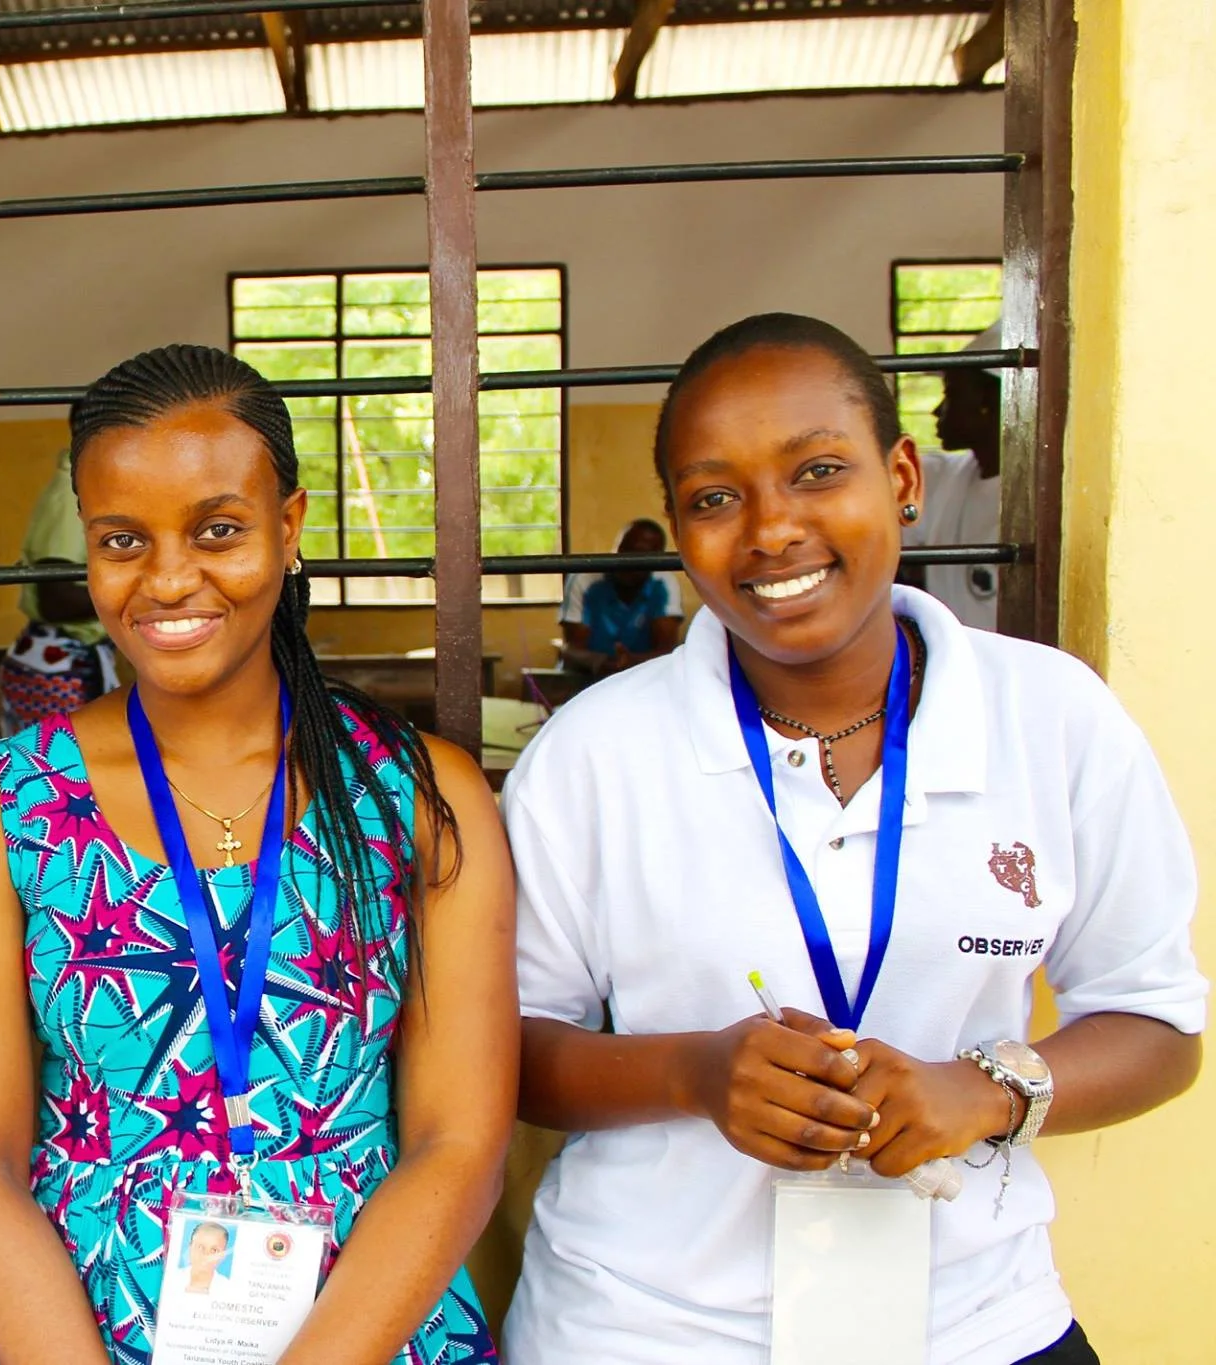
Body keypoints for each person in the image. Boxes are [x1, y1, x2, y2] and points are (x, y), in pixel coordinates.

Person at [504, 314, 1203, 1364]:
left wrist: (983, 1091)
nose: (770, 528)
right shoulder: (593, 753)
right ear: (674, 526)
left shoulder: (1052, 719)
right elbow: (508, 1050)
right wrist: (693, 1075)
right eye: (712, 497)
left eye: (817, 470)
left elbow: (1153, 1026)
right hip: (642, 1326)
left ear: (903, 476)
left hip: (969, 1322)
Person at [0, 344, 517, 1365]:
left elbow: (457, 1145)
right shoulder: (4, 807)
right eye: (121, 540)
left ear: (289, 529)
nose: (167, 579)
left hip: (371, 1338)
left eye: (218, 530)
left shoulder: (415, 798)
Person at [1, 450, 116, 735]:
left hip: (66, 661)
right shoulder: (72, 494)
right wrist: (138, 596)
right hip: (59, 670)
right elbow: (56, 598)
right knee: (53, 776)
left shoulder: (95, 488)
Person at [904, 325, 1003, 631]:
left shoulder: (1032, 502)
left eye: (950, 394)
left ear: (985, 402)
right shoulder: (946, 477)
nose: (937, 411)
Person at [557, 518, 685, 676]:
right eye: (624, 550)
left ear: (656, 559)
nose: (628, 561)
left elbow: (668, 652)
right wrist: (601, 663)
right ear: (616, 548)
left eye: (640, 555)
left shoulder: (663, 583)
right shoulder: (584, 578)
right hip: (586, 677)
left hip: (643, 677)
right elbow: (572, 650)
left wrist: (632, 663)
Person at [183, 1222, 232, 1296]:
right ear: (190, 1247)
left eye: (214, 1250)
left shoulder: (229, 1289)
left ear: (222, 1255)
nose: (206, 1255)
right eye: (201, 1247)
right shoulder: (172, 1278)